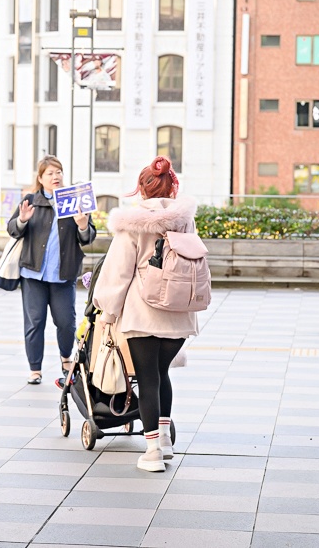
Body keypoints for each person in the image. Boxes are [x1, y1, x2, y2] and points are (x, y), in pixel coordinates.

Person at [92, 156, 197, 472]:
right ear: (171, 187)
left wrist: (107, 311)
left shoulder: (132, 223)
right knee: (162, 373)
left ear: (141, 188)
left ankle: (152, 452)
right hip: (179, 314)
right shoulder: (185, 220)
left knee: (147, 377)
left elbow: (118, 272)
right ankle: (164, 441)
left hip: (144, 312)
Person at [8, 156, 97, 385]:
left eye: (59, 172)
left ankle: (66, 358)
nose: (55, 176)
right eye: (50, 173)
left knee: (66, 322)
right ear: (40, 178)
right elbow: (12, 230)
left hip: (63, 274)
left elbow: (88, 238)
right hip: (33, 274)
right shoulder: (31, 201)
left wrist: (83, 225)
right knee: (35, 321)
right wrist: (22, 220)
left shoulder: (75, 200)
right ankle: (35, 369)